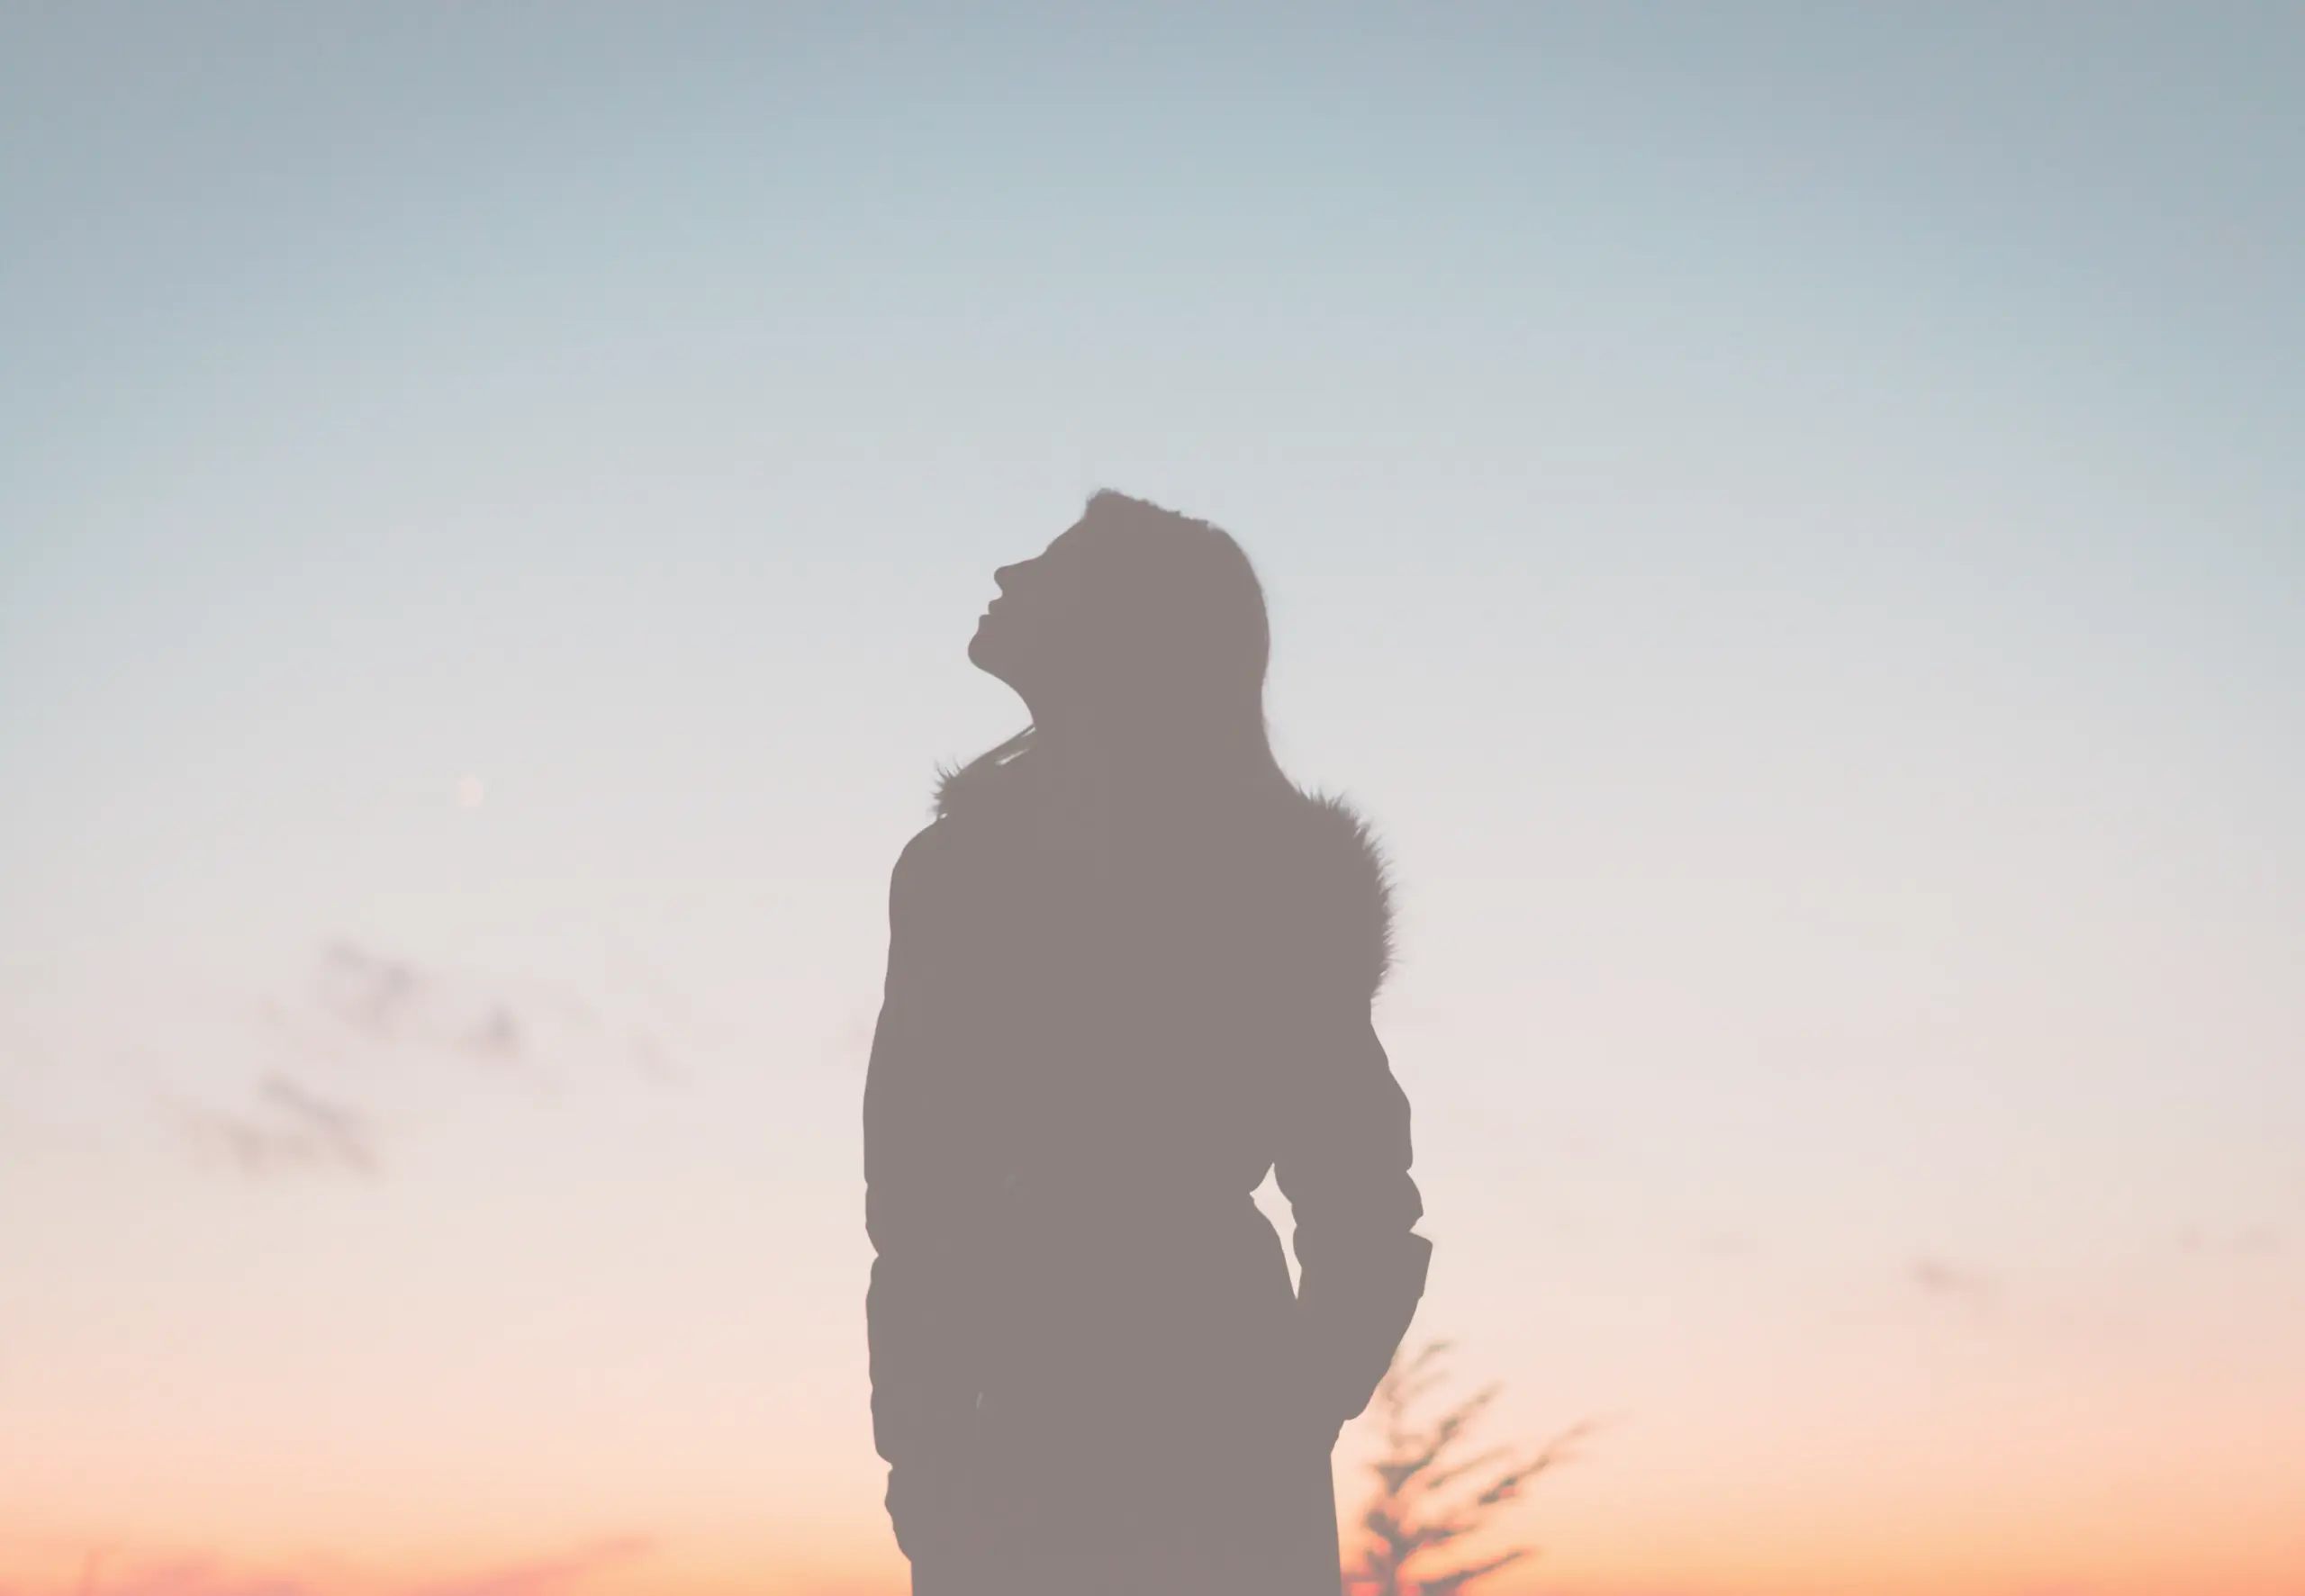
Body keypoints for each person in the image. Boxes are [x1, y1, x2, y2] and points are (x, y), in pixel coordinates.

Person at [863, 490, 1434, 1595]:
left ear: (1123, 631)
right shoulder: (956, 877)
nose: (1009, 575)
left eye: (1053, 563)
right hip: (1011, 1445)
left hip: (1198, 1453)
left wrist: (1281, 1421)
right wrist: (924, 1473)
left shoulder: (1268, 880)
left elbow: (1365, 1208)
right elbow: (916, 1209)